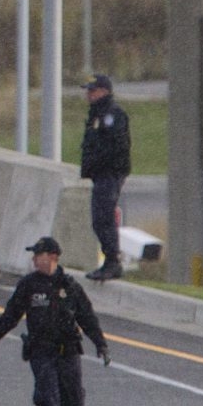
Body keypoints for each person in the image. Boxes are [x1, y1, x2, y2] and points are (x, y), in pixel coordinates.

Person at [0, 236, 109, 406]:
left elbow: (87, 317)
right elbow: (10, 316)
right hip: (42, 352)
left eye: (38, 255)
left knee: (73, 401)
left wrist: (101, 344)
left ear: (52, 257)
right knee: (49, 400)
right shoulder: (29, 286)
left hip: (69, 351)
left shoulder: (70, 287)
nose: (34, 260)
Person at [78, 73, 132, 282]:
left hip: (109, 173)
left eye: (92, 91)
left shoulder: (113, 115)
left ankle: (112, 262)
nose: (89, 95)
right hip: (100, 174)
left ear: (104, 91)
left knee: (104, 217)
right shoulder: (97, 114)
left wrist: (100, 163)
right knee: (99, 219)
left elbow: (116, 146)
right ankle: (110, 261)